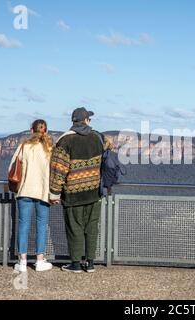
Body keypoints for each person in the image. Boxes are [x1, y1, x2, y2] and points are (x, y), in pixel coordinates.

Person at [49, 107, 113, 273]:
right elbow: (109, 145)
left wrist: (54, 193)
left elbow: (58, 169)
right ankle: (90, 263)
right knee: (92, 227)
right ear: (85, 120)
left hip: (73, 193)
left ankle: (76, 264)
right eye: (89, 119)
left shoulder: (65, 141)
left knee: (74, 228)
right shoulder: (98, 138)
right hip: (94, 192)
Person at [9, 119, 54, 272]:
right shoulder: (49, 149)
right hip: (43, 193)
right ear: (45, 131)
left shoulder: (24, 146)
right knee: (41, 226)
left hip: (24, 191)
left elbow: (12, 167)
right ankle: (39, 261)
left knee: (23, 225)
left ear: (31, 130)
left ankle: (22, 262)